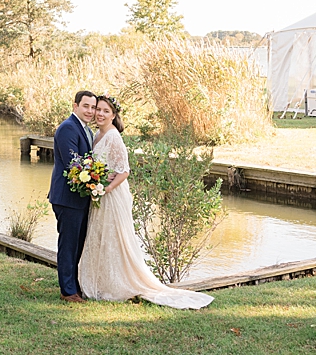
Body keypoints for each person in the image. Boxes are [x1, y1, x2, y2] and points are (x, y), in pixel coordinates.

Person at [78, 96, 214, 310]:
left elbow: (124, 171)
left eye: (106, 111)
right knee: (100, 235)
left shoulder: (114, 137)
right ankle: (100, 281)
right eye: (98, 110)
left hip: (112, 195)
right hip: (101, 193)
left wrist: (106, 188)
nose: (100, 114)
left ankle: (117, 283)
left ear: (113, 115)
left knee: (114, 237)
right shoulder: (97, 134)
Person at [48, 90, 98, 301]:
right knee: (68, 245)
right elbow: (74, 166)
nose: (90, 111)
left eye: (93, 107)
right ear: (75, 106)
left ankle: (73, 285)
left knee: (77, 245)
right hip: (67, 199)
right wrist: (98, 182)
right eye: (85, 106)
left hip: (79, 198)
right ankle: (67, 291)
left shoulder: (86, 129)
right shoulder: (68, 128)